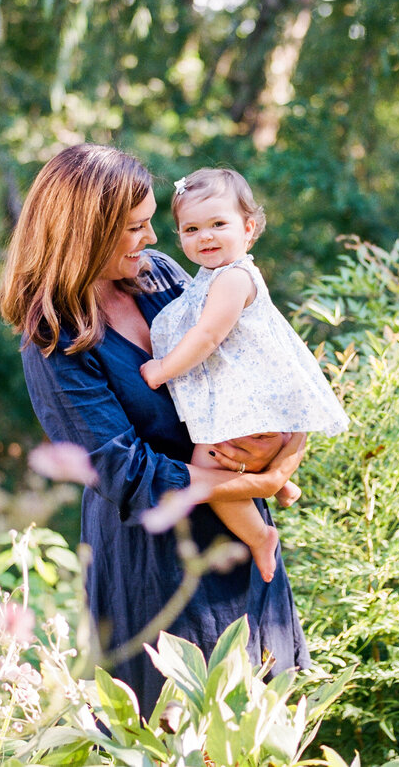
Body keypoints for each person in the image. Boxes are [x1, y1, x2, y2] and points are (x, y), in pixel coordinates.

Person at [0, 143, 310, 715]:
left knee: (266, 725)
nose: (156, 239)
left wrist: (287, 454)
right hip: (155, 568)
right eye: (137, 227)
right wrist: (253, 486)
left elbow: (252, 356)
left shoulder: (160, 276)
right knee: (176, 730)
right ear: (88, 234)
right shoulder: (55, 338)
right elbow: (123, 471)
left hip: (241, 549)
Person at [139, 169, 348, 583]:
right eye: (192, 228)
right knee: (229, 457)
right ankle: (279, 485)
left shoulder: (234, 278)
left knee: (206, 463)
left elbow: (208, 335)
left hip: (247, 405)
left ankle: (258, 536)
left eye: (219, 224)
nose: (206, 236)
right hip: (244, 402)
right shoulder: (209, 277)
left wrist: (163, 369)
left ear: (248, 228)